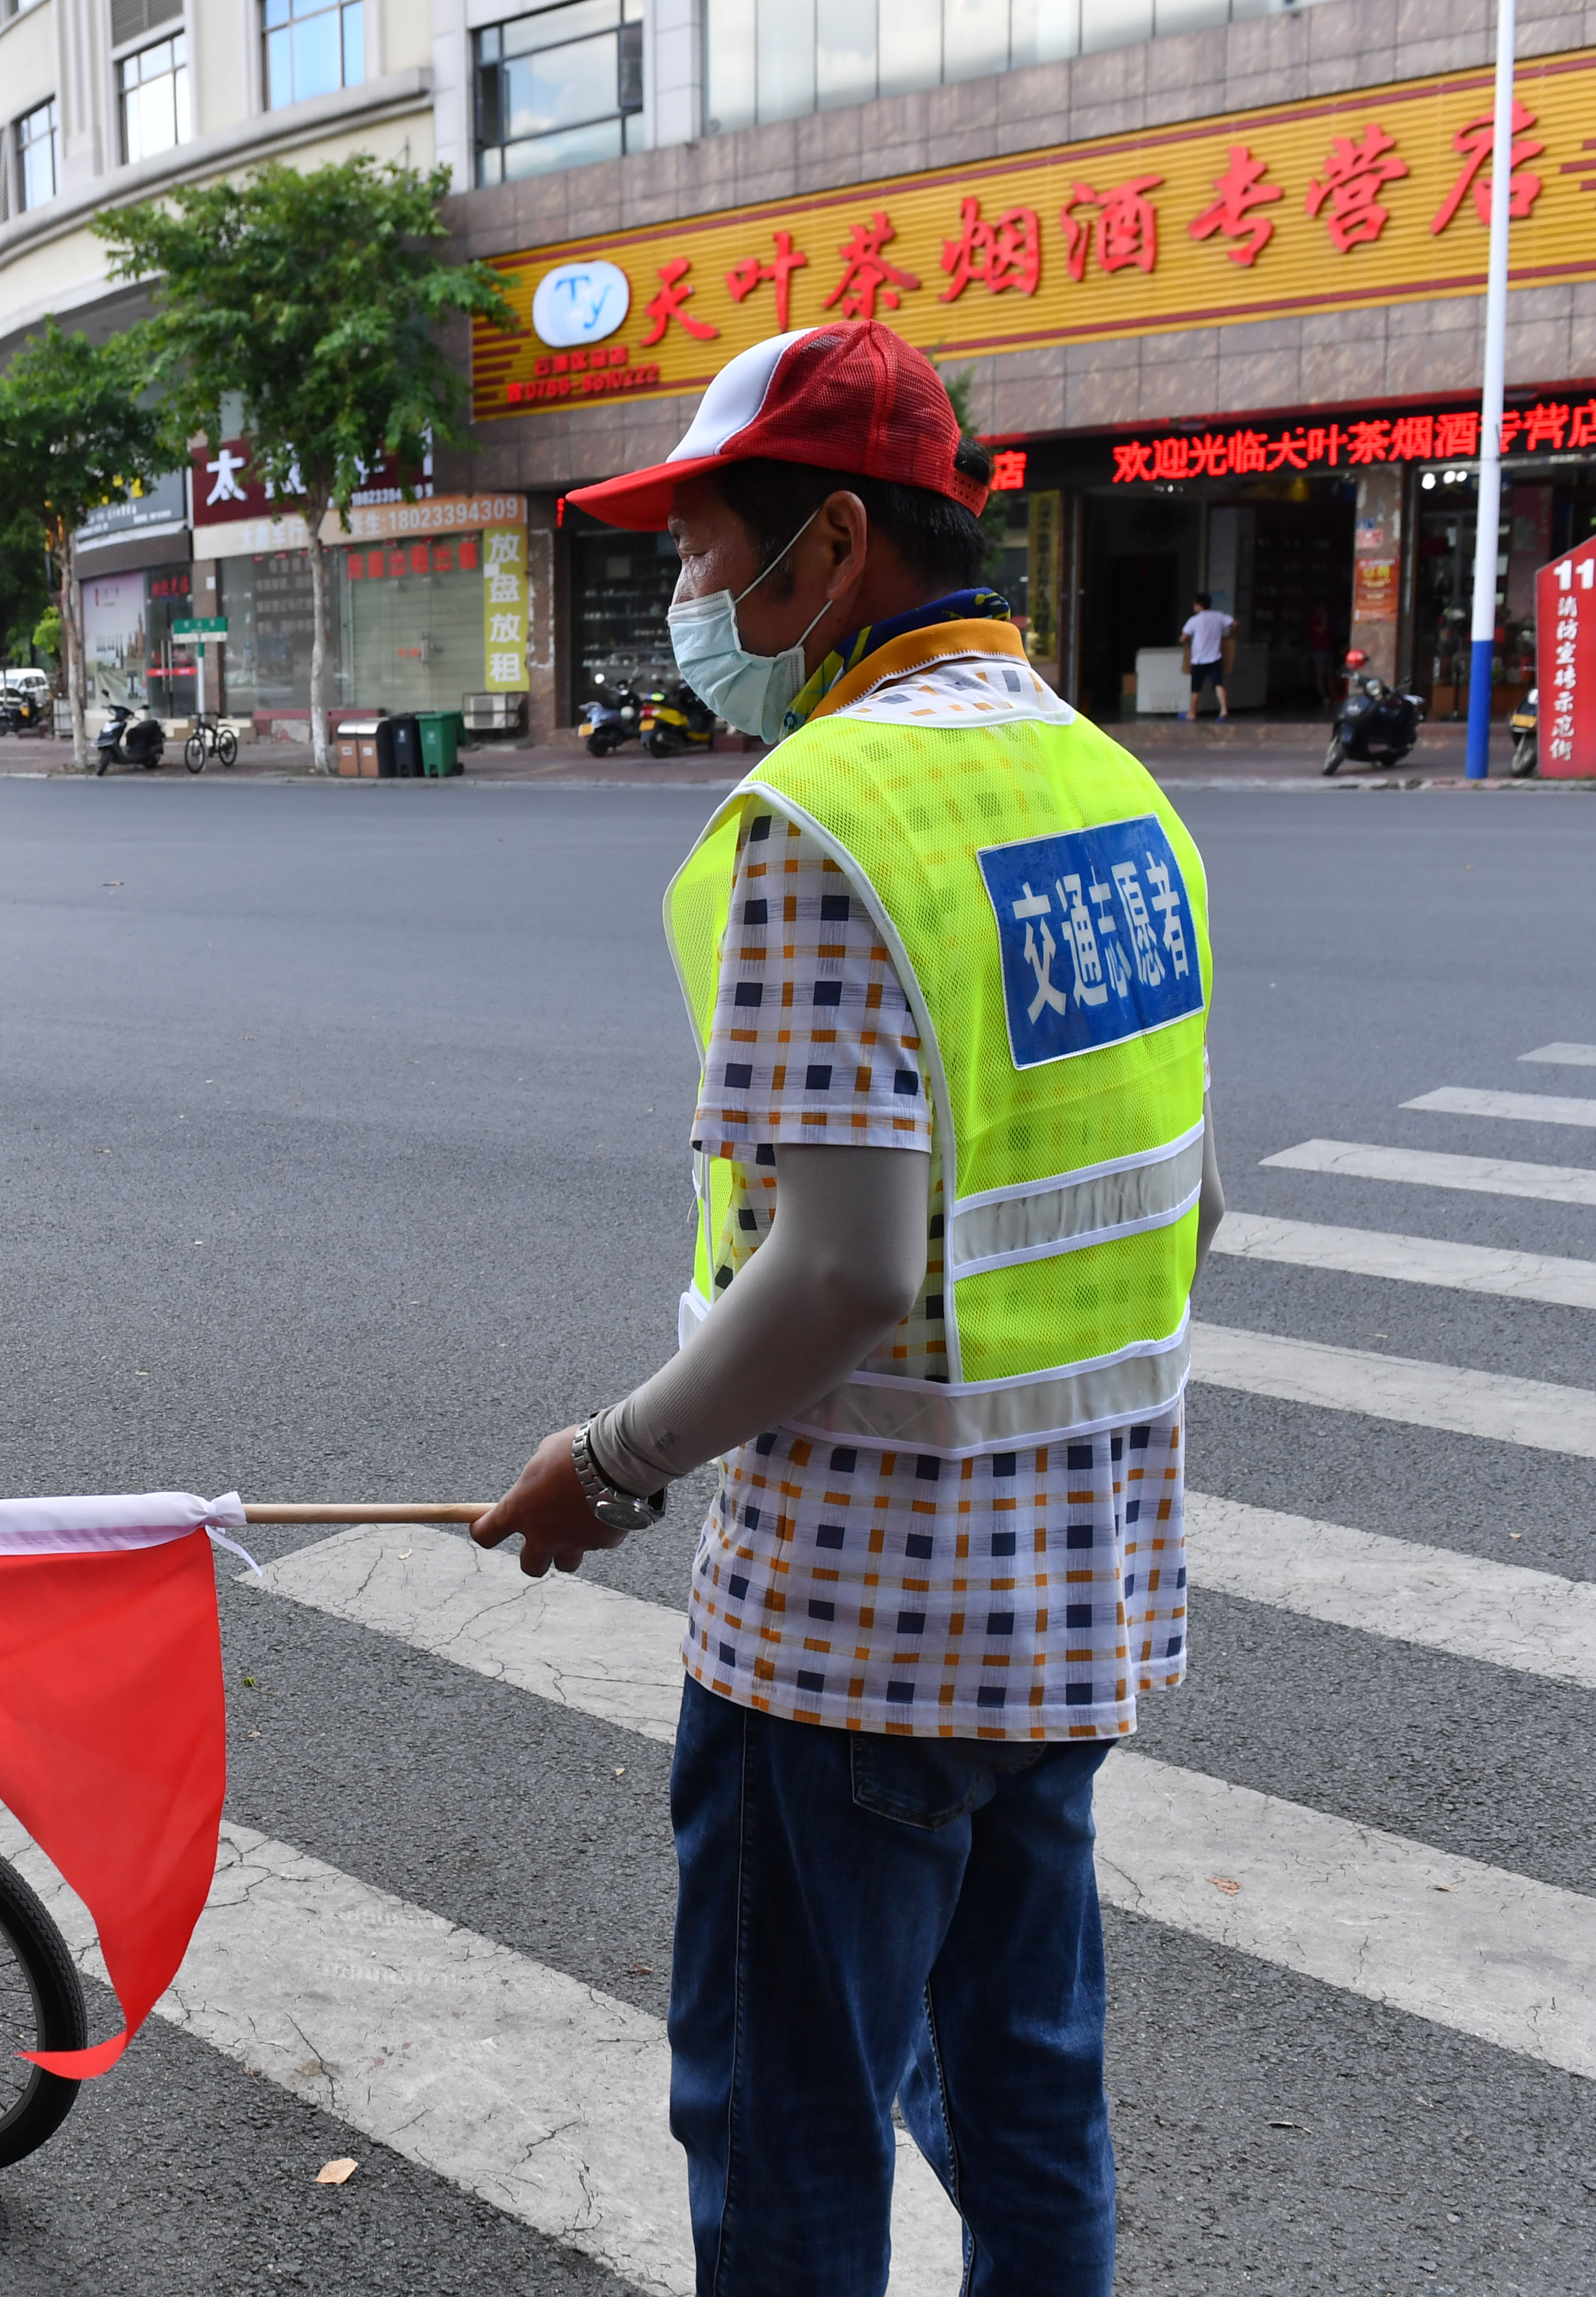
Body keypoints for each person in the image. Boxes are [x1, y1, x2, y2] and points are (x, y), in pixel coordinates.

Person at [470, 322, 1224, 2296]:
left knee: (786, 2120)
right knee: (1026, 2092)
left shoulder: (825, 815)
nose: (691, 597)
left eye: (709, 550)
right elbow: (1179, 1199)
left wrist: (607, 1467)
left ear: (829, 544)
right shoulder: (1111, 789)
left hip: (847, 1639)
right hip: (1075, 1598)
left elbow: (839, 1265)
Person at [1180, 590, 1236, 720]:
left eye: (1195, 604)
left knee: (1196, 689)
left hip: (1199, 660)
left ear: (1199, 605)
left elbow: (1183, 638)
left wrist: (1187, 641)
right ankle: (1224, 710)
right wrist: (1231, 636)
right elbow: (1234, 623)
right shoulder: (1218, 616)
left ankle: (1192, 713)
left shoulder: (1194, 620)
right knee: (1218, 684)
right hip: (1215, 658)